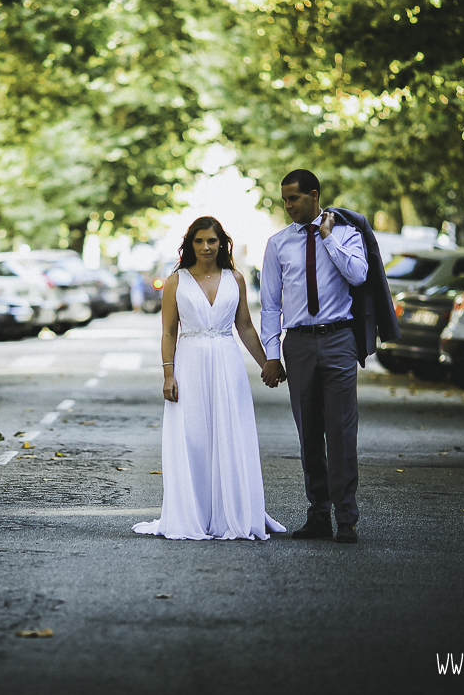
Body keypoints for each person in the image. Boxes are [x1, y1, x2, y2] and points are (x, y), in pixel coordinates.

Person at [259, 168, 395, 544]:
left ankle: (346, 518)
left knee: (340, 432)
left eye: (294, 199)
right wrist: (272, 355)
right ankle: (318, 513)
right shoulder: (277, 244)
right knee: (309, 433)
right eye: (284, 200)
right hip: (298, 344)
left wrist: (328, 238)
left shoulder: (346, 233)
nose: (288, 206)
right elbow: (270, 305)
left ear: (314, 195)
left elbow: (358, 274)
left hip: (338, 341)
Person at [134, 216, 287, 540]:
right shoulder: (177, 280)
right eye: (199, 241)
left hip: (227, 362)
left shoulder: (236, 278)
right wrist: (168, 374)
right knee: (194, 438)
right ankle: (195, 512)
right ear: (190, 244)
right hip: (189, 363)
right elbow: (168, 331)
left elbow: (244, 326)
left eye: (212, 241)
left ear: (222, 244)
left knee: (230, 433)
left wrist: (268, 363)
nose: (206, 247)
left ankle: (232, 510)